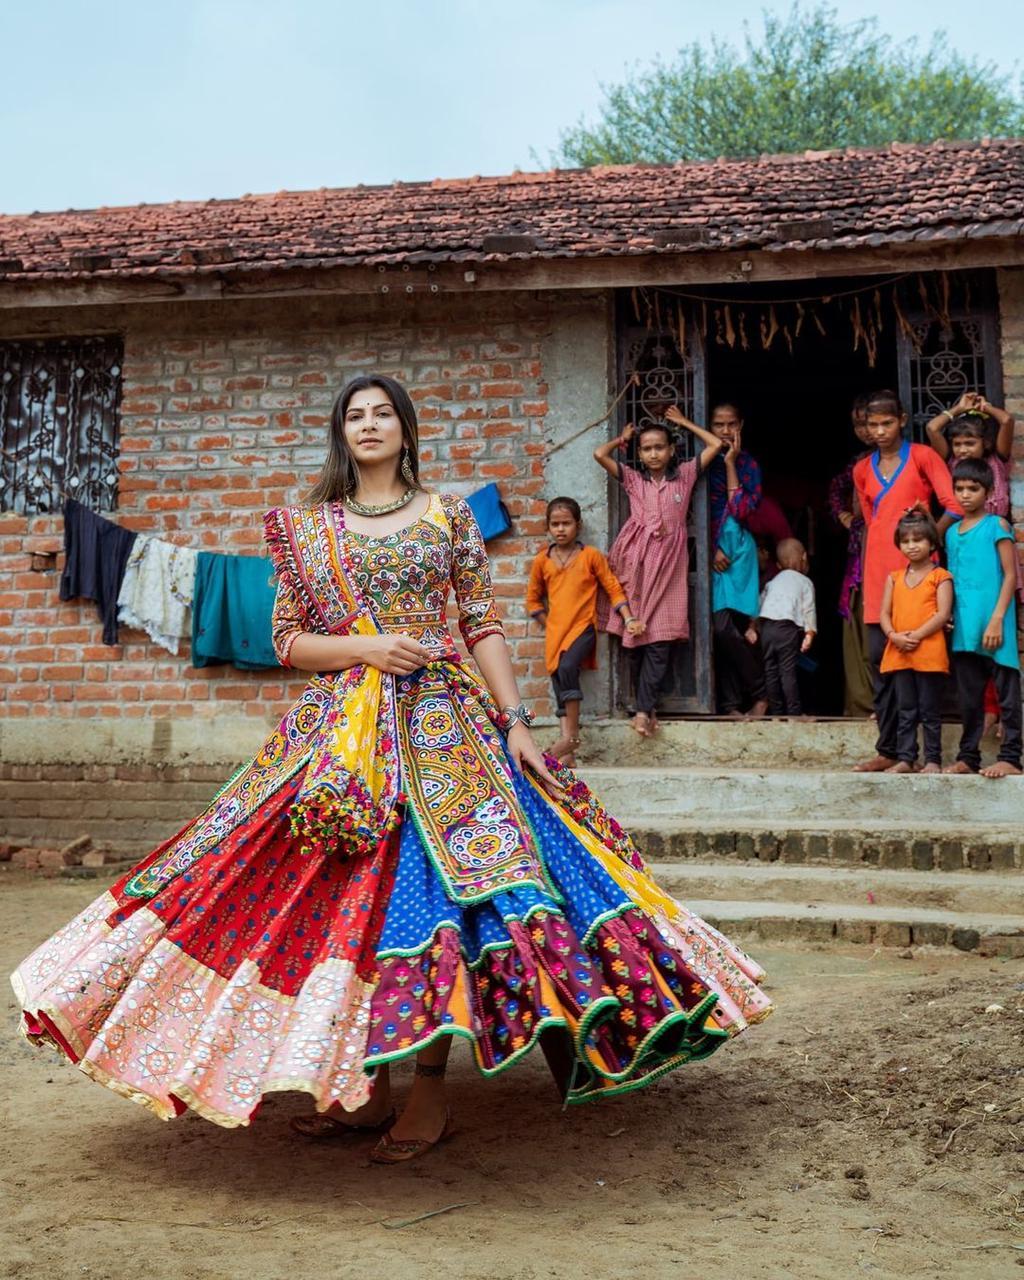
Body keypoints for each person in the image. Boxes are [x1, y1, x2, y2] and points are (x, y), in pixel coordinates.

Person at [12, 373, 773, 1163]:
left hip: (449, 731)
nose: (369, 425)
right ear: (341, 434)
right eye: (354, 416)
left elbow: (480, 623)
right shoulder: (309, 528)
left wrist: (516, 722)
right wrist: (368, 648)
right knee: (344, 900)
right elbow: (289, 643)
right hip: (342, 737)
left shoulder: (445, 515)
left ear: (406, 431)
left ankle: (431, 1096)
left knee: (436, 897)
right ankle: (366, 1086)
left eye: (383, 414)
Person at [594, 406, 722, 737]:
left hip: (670, 568)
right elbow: (599, 453)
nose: (653, 453)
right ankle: (644, 709)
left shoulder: (687, 475)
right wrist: (620, 439)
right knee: (634, 639)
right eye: (647, 448)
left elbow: (715, 445)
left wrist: (683, 423)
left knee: (661, 638)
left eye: (659, 447)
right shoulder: (634, 479)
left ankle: (642, 709)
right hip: (636, 563)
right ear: (639, 452)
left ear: (671, 449)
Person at [851, 390, 961, 772]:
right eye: (871, 424)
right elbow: (872, 521)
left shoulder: (924, 457)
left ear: (901, 419)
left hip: (919, 578)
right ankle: (890, 749)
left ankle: (924, 754)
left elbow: (954, 505)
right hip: (879, 575)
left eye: (886, 423)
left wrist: (929, 536)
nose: (879, 431)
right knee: (881, 664)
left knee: (921, 666)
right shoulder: (862, 469)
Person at [526, 496, 645, 766]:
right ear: (547, 527)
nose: (560, 529)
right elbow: (533, 600)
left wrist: (628, 618)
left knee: (568, 668)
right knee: (558, 680)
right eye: (555, 524)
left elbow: (613, 587)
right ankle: (567, 755)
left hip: (583, 628)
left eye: (566, 523)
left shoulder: (590, 556)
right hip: (556, 633)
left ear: (577, 525)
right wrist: (550, 624)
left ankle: (572, 739)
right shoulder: (542, 561)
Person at [943, 458, 1023, 779]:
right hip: (964, 625)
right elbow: (952, 577)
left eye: (972, 488)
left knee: (1006, 692)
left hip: (994, 623)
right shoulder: (950, 533)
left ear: (988, 492)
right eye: (959, 488)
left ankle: (1011, 758)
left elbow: (1009, 575)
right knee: (969, 698)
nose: (965, 495)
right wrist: (946, 613)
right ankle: (968, 757)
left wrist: (997, 618)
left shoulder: (996, 526)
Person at [878, 508, 953, 774]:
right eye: (906, 541)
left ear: (931, 543)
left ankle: (933, 760)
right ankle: (906, 758)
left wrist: (916, 636)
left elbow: (942, 614)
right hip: (899, 651)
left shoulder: (940, 577)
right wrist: (893, 636)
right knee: (906, 709)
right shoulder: (894, 578)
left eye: (918, 540)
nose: (912, 546)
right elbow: (884, 614)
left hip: (928, 652)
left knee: (930, 710)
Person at [707, 402, 768, 718]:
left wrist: (731, 463)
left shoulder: (749, 465)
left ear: (741, 426)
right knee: (721, 630)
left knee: (742, 627)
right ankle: (760, 691)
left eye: (732, 424)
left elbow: (742, 510)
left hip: (741, 553)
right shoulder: (702, 462)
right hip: (713, 554)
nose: (726, 431)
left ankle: (735, 704)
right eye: (719, 425)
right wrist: (708, 547)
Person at [827, 394, 874, 716]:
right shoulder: (858, 463)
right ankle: (863, 705)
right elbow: (834, 489)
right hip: (859, 557)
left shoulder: (908, 459)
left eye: (872, 423)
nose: (868, 431)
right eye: (859, 424)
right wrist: (842, 514)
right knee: (857, 631)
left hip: (895, 559)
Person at [745, 538, 816, 717]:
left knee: (770, 671)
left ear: (777, 564)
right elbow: (809, 609)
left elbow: (758, 605)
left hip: (768, 629)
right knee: (787, 671)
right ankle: (793, 713)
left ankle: (776, 713)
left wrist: (752, 627)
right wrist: (809, 633)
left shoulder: (772, 582)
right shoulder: (805, 582)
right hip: (787, 629)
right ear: (804, 557)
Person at [925, 392, 1015, 517]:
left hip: (995, 528)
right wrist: (958, 409)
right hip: (961, 529)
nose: (962, 450)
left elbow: (1007, 420)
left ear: (986, 443)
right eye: (957, 444)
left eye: (970, 444)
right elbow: (932, 428)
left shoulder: (997, 460)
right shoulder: (952, 461)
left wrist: (985, 407)